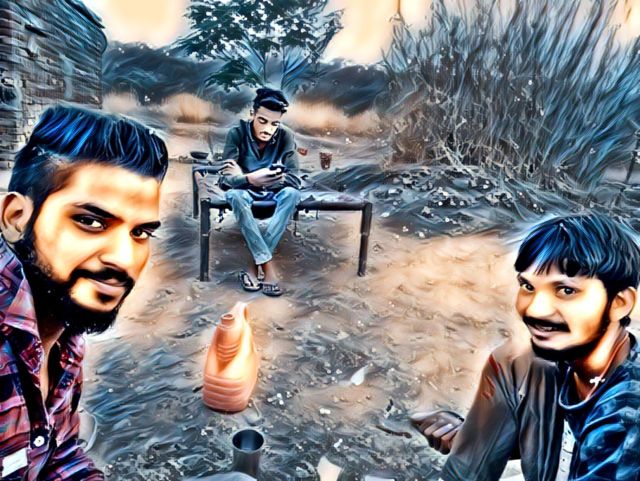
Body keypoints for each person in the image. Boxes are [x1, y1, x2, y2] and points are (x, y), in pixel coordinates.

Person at [0, 105, 168, 480]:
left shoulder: (64, 324)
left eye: (140, 232)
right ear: (15, 217)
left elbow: (58, 455)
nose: (124, 259)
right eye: (90, 221)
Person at [412, 213, 640, 481]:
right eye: (528, 287)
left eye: (566, 291)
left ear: (620, 303)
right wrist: (472, 434)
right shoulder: (524, 366)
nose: (535, 309)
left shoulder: (628, 412)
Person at [219, 87, 301, 297]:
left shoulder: (286, 136)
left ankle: (253, 266)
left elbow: (294, 179)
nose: (268, 128)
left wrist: (258, 179)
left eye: (274, 124)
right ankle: (268, 268)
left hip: (273, 191)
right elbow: (225, 179)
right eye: (262, 121)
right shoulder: (236, 133)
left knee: (292, 194)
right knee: (234, 195)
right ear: (252, 114)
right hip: (244, 191)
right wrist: (250, 179)